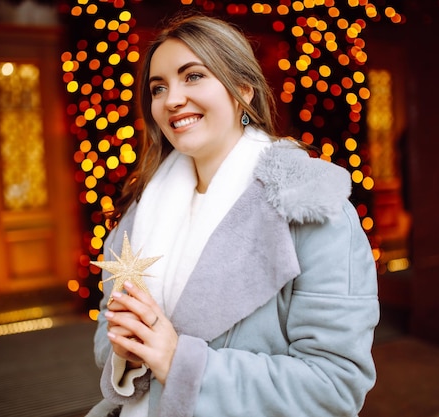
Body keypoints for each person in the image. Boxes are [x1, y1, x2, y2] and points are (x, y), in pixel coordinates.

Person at [86, 13, 379, 417]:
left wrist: (179, 361)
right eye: (158, 87)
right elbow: (108, 328)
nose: (171, 99)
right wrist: (128, 354)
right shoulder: (140, 211)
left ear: (243, 88)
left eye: (192, 76)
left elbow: (334, 385)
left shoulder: (308, 206)